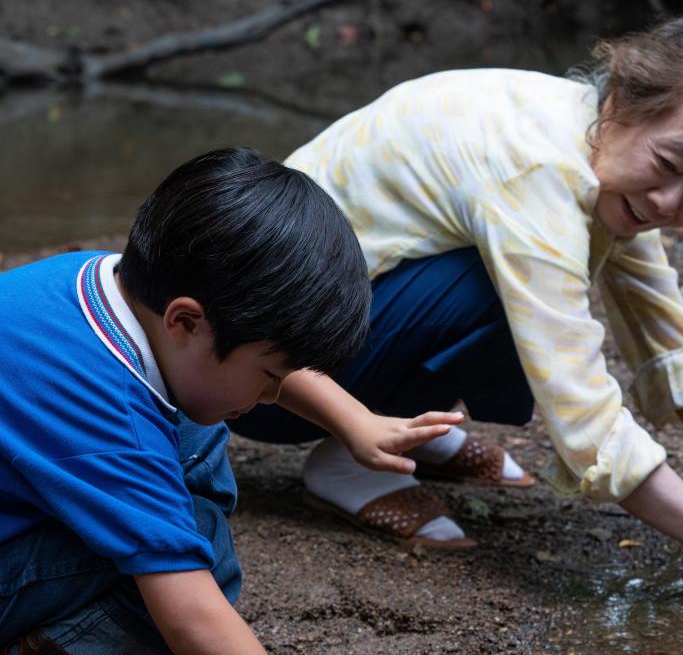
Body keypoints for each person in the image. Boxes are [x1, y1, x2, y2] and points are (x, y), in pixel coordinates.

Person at [231, 12, 683, 609]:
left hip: (326, 326)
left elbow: (670, 342)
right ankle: (352, 456)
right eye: (669, 162)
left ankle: (407, 418)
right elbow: (586, 418)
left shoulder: (596, 152)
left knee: (524, 275)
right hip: (260, 378)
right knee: (503, 290)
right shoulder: (540, 173)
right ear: (617, 105)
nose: (671, 202)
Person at [0, 148, 459, 654]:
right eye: (267, 375)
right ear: (185, 321)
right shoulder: (114, 425)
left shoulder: (102, 282)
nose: (272, 395)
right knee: (195, 544)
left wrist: (356, 422)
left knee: (192, 439)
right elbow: (193, 618)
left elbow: (259, 350)